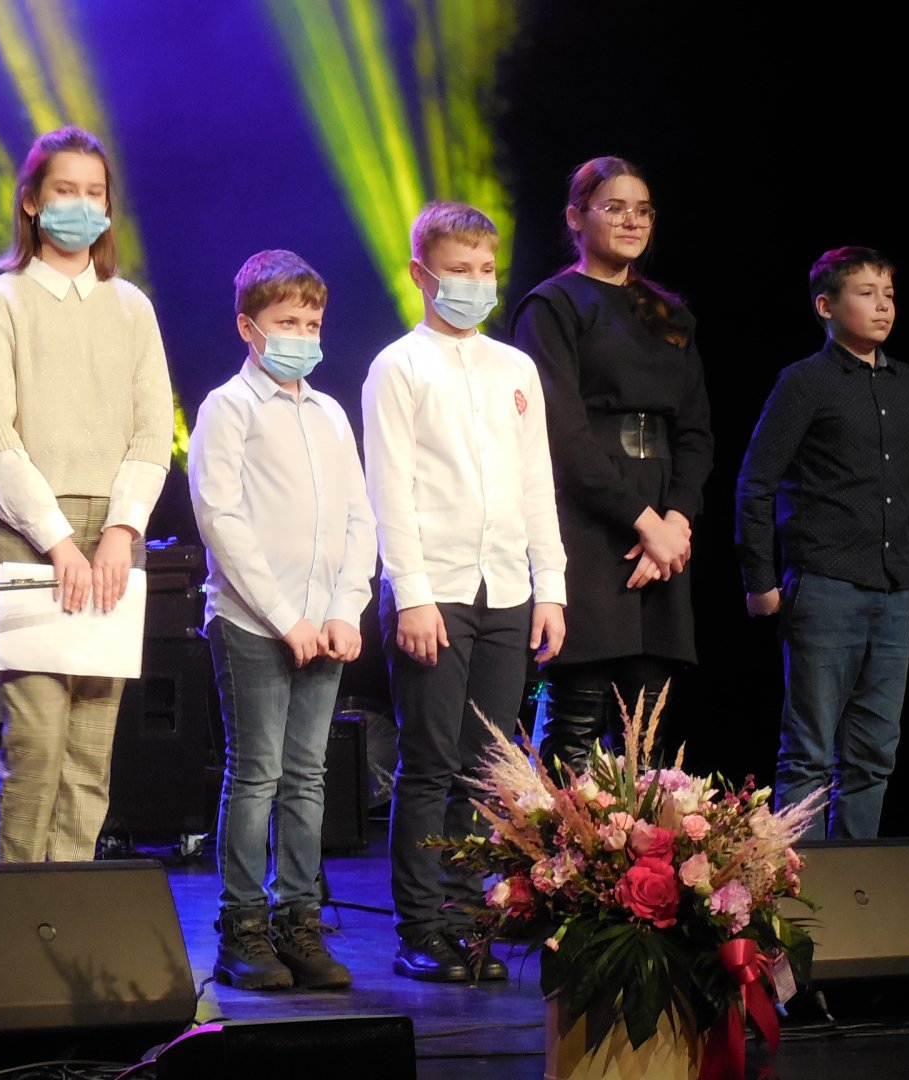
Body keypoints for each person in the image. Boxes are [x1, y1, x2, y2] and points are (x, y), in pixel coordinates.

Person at [365, 202, 567, 982]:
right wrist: (411, 593)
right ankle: (421, 928)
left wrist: (550, 588)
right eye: (459, 270)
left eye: (486, 270)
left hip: (506, 587)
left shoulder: (514, 369)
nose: (475, 283)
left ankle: (467, 921)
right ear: (422, 274)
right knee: (430, 760)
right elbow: (390, 489)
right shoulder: (399, 366)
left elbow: (536, 483)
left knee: (488, 767)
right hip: (436, 589)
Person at [0, 126, 174, 863]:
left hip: (113, 533)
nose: (81, 206)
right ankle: (19, 902)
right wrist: (57, 541)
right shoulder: (0, 302)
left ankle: (71, 894)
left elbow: (152, 433)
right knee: (39, 735)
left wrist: (120, 532)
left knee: (91, 743)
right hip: (28, 533)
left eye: (94, 193)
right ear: (32, 201)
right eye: (65, 191)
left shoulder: (131, 307)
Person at [189, 250, 375, 991]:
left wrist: (345, 608)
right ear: (249, 327)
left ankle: (299, 919)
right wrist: (284, 615)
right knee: (258, 772)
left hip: (324, 625)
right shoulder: (227, 407)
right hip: (252, 622)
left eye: (312, 323)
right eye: (287, 322)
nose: (302, 334)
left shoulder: (329, 414)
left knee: (307, 776)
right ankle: (243, 927)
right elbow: (222, 519)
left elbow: (359, 516)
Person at [510, 156, 711, 775]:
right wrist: (644, 522)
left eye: (643, 210)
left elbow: (696, 431)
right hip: (590, 519)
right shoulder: (553, 306)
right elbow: (563, 435)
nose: (632, 220)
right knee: (578, 711)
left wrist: (675, 520)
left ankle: (638, 839)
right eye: (614, 207)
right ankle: (558, 837)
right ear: (576, 217)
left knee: (645, 727)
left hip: (661, 525)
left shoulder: (669, 314)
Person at [737, 246, 909, 840]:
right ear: (826, 306)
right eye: (866, 294)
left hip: (893, 590)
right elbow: (757, 482)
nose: (883, 306)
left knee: (875, 752)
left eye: (889, 295)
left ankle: (857, 886)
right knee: (810, 752)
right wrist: (761, 581)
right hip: (824, 587)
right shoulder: (805, 381)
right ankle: (804, 888)